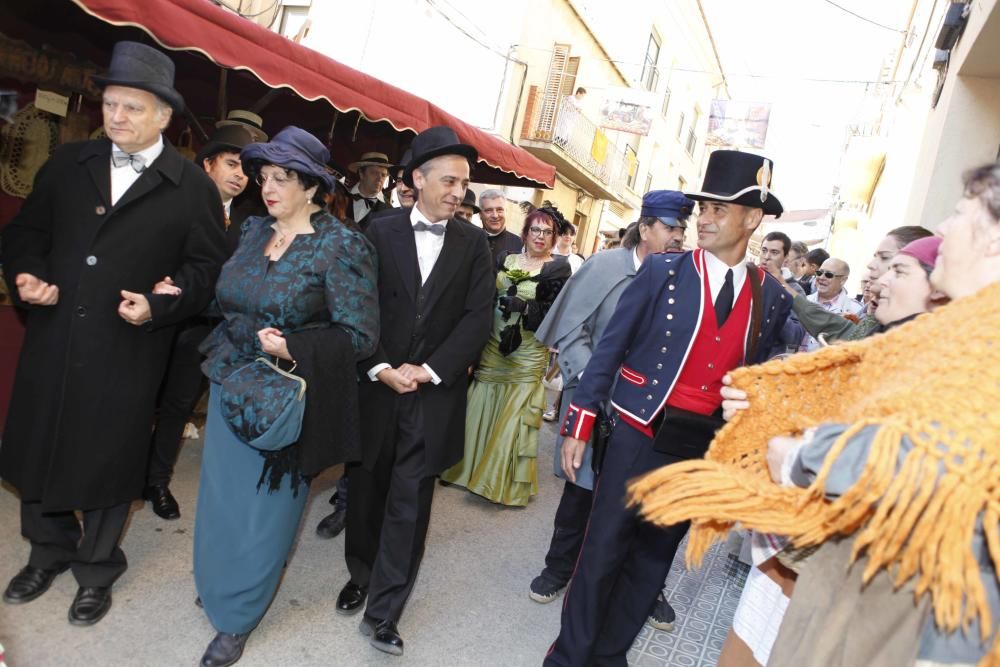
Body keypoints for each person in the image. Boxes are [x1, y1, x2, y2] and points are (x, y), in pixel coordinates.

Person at [631, 162, 1000, 667]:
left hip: (906, 618)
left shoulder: (979, 349)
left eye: (960, 214)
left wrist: (795, 453)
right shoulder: (953, 340)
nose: (946, 228)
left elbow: (911, 456)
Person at [0, 41, 228, 626]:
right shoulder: (68, 165)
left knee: (106, 462)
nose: (117, 115)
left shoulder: (191, 188)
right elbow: (26, 234)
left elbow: (205, 273)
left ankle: (96, 570)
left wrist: (156, 304)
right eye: (111, 103)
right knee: (41, 449)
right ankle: (46, 552)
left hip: (127, 349)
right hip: (54, 338)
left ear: (163, 117)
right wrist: (29, 275)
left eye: (132, 106)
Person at [543, 150, 792, 665]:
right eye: (703, 207)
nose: (705, 217)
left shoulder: (772, 297)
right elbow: (609, 350)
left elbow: (759, 376)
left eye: (721, 209)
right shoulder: (663, 271)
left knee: (653, 558)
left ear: (752, 218)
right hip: (639, 430)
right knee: (603, 548)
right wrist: (579, 423)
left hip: (700, 447)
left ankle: (610, 655)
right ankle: (570, 656)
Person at [191, 126, 379, 667]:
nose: (268, 187)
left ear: (314, 187)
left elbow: (360, 335)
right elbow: (230, 300)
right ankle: (219, 582)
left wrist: (294, 345)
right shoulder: (252, 231)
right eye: (265, 176)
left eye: (283, 178)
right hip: (228, 379)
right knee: (223, 501)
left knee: (264, 514)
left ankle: (236, 618)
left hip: (286, 398)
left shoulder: (342, 245)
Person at [338, 126, 494, 657]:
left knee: (411, 504)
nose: (458, 191)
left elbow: (478, 319)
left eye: (464, 183)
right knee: (366, 492)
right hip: (377, 388)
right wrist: (381, 364)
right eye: (449, 180)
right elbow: (357, 307)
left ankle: (385, 611)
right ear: (417, 179)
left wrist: (429, 369)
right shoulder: (377, 231)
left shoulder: (474, 245)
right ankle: (360, 572)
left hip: (432, 395)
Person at [529, 191, 693, 631]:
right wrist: (594, 378)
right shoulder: (604, 267)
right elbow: (572, 329)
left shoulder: (689, 279)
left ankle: (645, 585)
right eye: (670, 228)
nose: (679, 237)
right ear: (645, 228)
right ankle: (559, 567)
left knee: (645, 502)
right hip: (596, 400)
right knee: (580, 491)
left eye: (682, 229)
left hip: (651, 417)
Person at [142, 122, 259, 521]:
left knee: (178, 407)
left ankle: (156, 481)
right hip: (160, 319)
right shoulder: (175, 202)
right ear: (207, 164)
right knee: (139, 400)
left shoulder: (251, 222)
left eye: (246, 169)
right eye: (231, 164)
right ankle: (123, 474)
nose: (239, 175)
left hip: (208, 329)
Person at [439, 209, 571, 505]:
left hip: (527, 349)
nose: (540, 236)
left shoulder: (558, 269)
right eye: (535, 230)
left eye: (546, 232)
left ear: (554, 237)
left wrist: (526, 308)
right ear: (525, 233)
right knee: (480, 404)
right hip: (493, 343)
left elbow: (556, 312)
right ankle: (465, 470)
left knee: (515, 413)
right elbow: (483, 297)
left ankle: (498, 482)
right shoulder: (505, 260)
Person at [794, 257, 864, 352]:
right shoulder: (804, 301)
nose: (821, 278)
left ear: (843, 280)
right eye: (819, 273)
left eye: (828, 275)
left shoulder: (855, 310)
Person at [348, 151, 393, 228]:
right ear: (361, 174)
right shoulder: (340, 196)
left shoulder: (389, 211)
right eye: (374, 173)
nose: (379, 178)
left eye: (383, 175)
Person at [480, 188, 522, 267]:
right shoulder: (471, 240)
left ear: (506, 211)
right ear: (480, 214)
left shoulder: (520, 244)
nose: (495, 215)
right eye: (489, 210)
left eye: (500, 210)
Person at [759, 231, 805, 296]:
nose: (767, 257)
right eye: (764, 250)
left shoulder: (795, 290)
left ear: (785, 257)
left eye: (774, 252)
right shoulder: (747, 276)